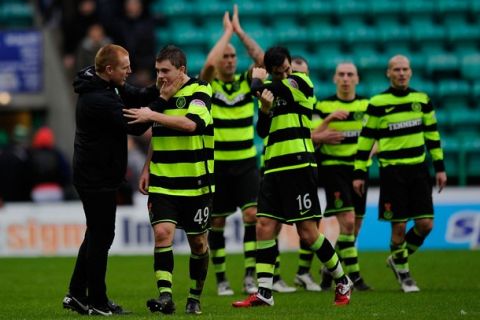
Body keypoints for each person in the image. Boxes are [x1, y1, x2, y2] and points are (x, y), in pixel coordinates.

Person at [232, 46, 353, 308]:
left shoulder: (300, 81)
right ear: (274, 72)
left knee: (308, 233)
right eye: (280, 72)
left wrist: (258, 79)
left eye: (288, 68)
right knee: (263, 225)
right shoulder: (272, 90)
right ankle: (264, 291)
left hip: (299, 165)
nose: (286, 73)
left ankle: (343, 280)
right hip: (273, 165)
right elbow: (263, 131)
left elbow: (257, 87)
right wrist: (264, 109)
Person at [63, 44, 158, 316]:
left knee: (96, 235)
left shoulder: (107, 85)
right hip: (95, 178)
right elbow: (136, 125)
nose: (129, 69)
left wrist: (160, 87)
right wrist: (159, 107)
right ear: (109, 70)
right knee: (102, 236)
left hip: (98, 174)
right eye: (124, 66)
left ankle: (77, 295)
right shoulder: (98, 99)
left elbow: (137, 95)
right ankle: (97, 301)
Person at [123, 45, 214, 315]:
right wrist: (147, 167)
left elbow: (191, 125)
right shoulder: (160, 94)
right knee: (162, 234)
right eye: (157, 70)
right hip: (163, 179)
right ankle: (165, 297)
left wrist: (151, 114)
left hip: (196, 181)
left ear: (181, 70)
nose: (160, 76)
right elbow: (159, 131)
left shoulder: (200, 90)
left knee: (198, 243)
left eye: (166, 71)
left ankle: (194, 297)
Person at [353, 55, 447, 293]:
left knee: (426, 224)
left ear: (411, 72)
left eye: (405, 69)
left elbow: (432, 136)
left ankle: (397, 258)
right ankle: (405, 275)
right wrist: (359, 171)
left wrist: (440, 168)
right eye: (397, 69)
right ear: (388, 73)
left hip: (418, 171)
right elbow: (366, 140)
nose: (402, 73)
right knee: (398, 227)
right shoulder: (378, 103)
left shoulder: (422, 100)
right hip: (392, 172)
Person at [295, 62, 372, 291]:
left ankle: (329, 268)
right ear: (334, 79)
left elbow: (376, 137)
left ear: (357, 79)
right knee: (347, 222)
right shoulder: (323, 104)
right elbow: (309, 135)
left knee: (354, 228)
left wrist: (367, 152)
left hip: (359, 169)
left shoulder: (366, 105)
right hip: (333, 169)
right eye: (341, 74)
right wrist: (327, 123)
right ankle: (354, 278)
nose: (346, 78)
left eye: (350, 74)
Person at [29, 126, 71, 202]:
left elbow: (27, 173)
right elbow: (66, 172)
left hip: (38, 191)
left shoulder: (32, 154)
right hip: (55, 191)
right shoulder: (57, 154)